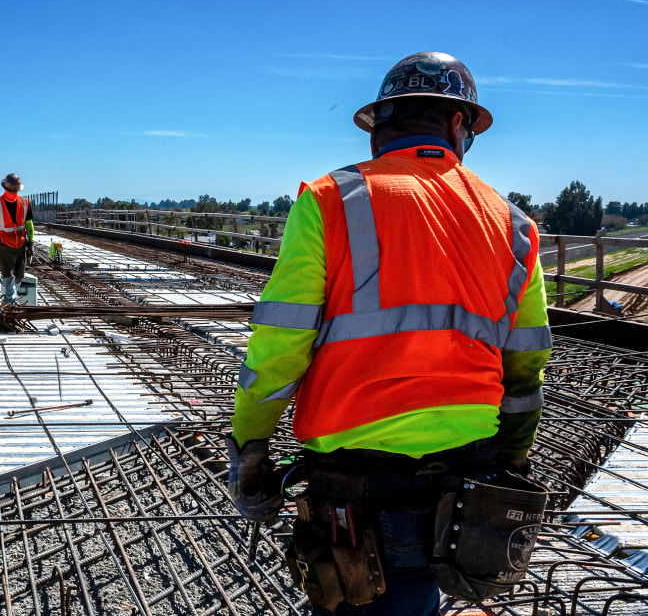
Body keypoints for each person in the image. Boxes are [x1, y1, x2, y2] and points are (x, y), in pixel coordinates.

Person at [226, 52, 551, 615]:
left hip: (362, 484)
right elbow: (525, 368)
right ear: (460, 124)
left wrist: (251, 444)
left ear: (381, 124)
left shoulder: (329, 201)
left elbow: (280, 347)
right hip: (468, 484)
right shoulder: (514, 225)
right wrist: (515, 461)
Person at [0, 173, 35, 306]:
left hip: (20, 245)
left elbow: (29, 224)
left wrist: (31, 242)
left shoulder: (24, 203)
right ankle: (10, 307)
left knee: (19, 277)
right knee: (8, 277)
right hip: (3, 247)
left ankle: (7, 301)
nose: (13, 192)